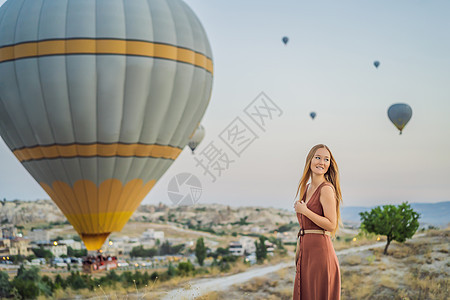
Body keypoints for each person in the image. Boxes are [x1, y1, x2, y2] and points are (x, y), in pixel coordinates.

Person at [293, 144, 342, 300]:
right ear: (310, 160)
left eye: (326, 159)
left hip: (320, 254)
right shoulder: (306, 188)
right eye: (318, 157)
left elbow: (331, 224)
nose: (322, 162)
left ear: (329, 165)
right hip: (306, 253)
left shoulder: (326, 189)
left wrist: (305, 211)